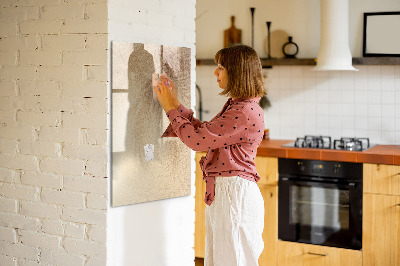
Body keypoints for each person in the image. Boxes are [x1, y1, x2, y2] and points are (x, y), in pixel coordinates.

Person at [153, 44, 266, 266]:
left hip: (234, 195)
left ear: (237, 71)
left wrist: (169, 108)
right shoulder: (239, 106)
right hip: (228, 193)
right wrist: (175, 103)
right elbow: (205, 133)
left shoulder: (243, 111)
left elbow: (197, 141)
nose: (215, 72)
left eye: (221, 67)